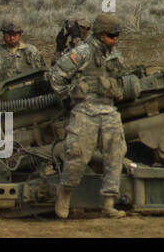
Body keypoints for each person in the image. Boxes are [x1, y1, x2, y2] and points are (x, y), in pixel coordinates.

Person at [48, 12, 129, 219]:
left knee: (116, 154)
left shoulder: (114, 54)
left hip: (108, 110)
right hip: (85, 112)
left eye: (116, 36)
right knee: (76, 156)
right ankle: (64, 194)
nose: (115, 40)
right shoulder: (82, 52)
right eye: (112, 36)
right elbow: (56, 76)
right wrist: (67, 99)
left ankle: (109, 203)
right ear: (101, 34)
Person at [0, 19, 45, 98]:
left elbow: (42, 75)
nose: (12, 37)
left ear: (20, 34)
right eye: (9, 34)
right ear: (3, 34)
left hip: (30, 99)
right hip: (2, 101)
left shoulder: (31, 51)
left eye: (15, 34)